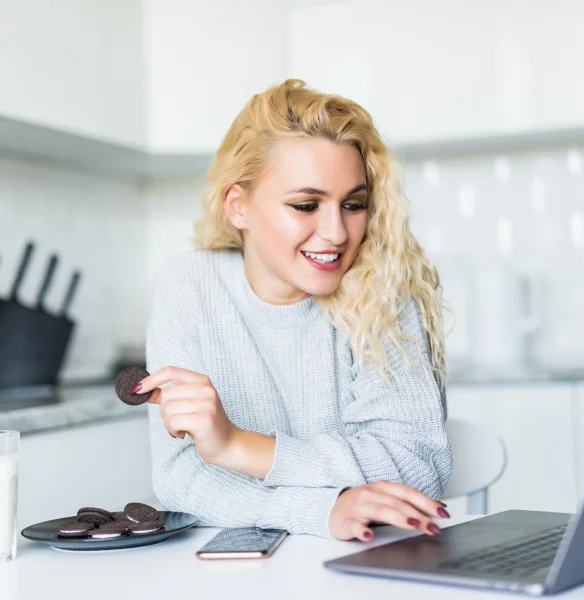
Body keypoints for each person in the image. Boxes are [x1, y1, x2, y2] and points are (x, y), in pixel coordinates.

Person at [135, 79, 453, 543]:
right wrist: (321, 510)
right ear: (238, 207)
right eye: (306, 204)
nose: (338, 232)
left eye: (354, 204)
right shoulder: (189, 286)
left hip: (369, 562)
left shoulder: (381, 289)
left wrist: (236, 446)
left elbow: (418, 467)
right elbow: (181, 478)